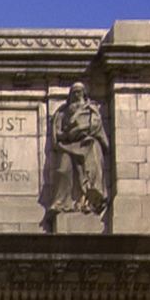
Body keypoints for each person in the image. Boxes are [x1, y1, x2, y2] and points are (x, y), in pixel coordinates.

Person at [44, 81, 110, 216]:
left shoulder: (91, 108)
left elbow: (95, 126)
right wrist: (65, 134)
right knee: (62, 170)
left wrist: (80, 129)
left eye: (79, 91)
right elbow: (58, 131)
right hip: (66, 145)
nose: (77, 94)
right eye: (74, 92)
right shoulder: (63, 111)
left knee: (87, 170)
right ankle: (61, 203)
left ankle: (85, 201)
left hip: (86, 143)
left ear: (84, 93)